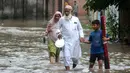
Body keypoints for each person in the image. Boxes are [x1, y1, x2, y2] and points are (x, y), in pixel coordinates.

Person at [58, 5, 84, 70]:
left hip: (75, 41)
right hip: (66, 40)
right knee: (66, 56)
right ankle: (68, 70)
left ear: (71, 11)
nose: (66, 12)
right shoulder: (61, 19)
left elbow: (80, 29)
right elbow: (58, 28)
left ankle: (75, 64)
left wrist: (81, 36)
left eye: (68, 10)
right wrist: (59, 34)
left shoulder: (76, 19)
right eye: (65, 10)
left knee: (75, 58)